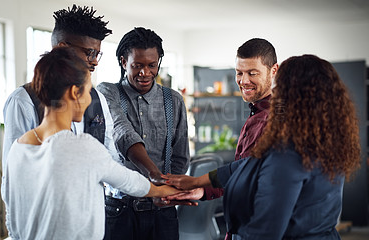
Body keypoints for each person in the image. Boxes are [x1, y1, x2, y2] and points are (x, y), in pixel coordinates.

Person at [165, 54, 361, 240]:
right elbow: (248, 166)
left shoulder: (290, 154)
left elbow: (266, 230)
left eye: (279, 88)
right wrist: (197, 183)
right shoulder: (326, 142)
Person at [1, 47, 182, 240]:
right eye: (88, 91)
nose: (89, 100)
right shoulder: (82, 147)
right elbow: (129, 181)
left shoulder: (18, 148)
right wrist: (165, 191)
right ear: (74, 93)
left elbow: (10, 209)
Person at [96, 27, 190, 240]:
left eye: (151, 65)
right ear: (123, 62)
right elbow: (122, 132)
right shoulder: (107, 92)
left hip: (162, 212)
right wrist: (153, 175)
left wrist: (166, 188)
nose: (145, 73)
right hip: (119, 210)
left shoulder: (173, 100)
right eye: (137, 66)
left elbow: (180, 157)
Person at [2, 4, 118, 173]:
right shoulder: (23, 100)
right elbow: (13, 171)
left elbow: (110, 157)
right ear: (62, 48)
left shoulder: (98, 98)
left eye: (97, 54)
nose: (95, 61)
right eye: (89, 52)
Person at [167, 38, 278, 202]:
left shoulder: (277, 120)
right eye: (239, 73)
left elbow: (247, 169)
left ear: (273, 70)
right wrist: (203, 191)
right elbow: (240, 175)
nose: (244, 81)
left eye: (253, 73)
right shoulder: (256, 114)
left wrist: (197, 181)